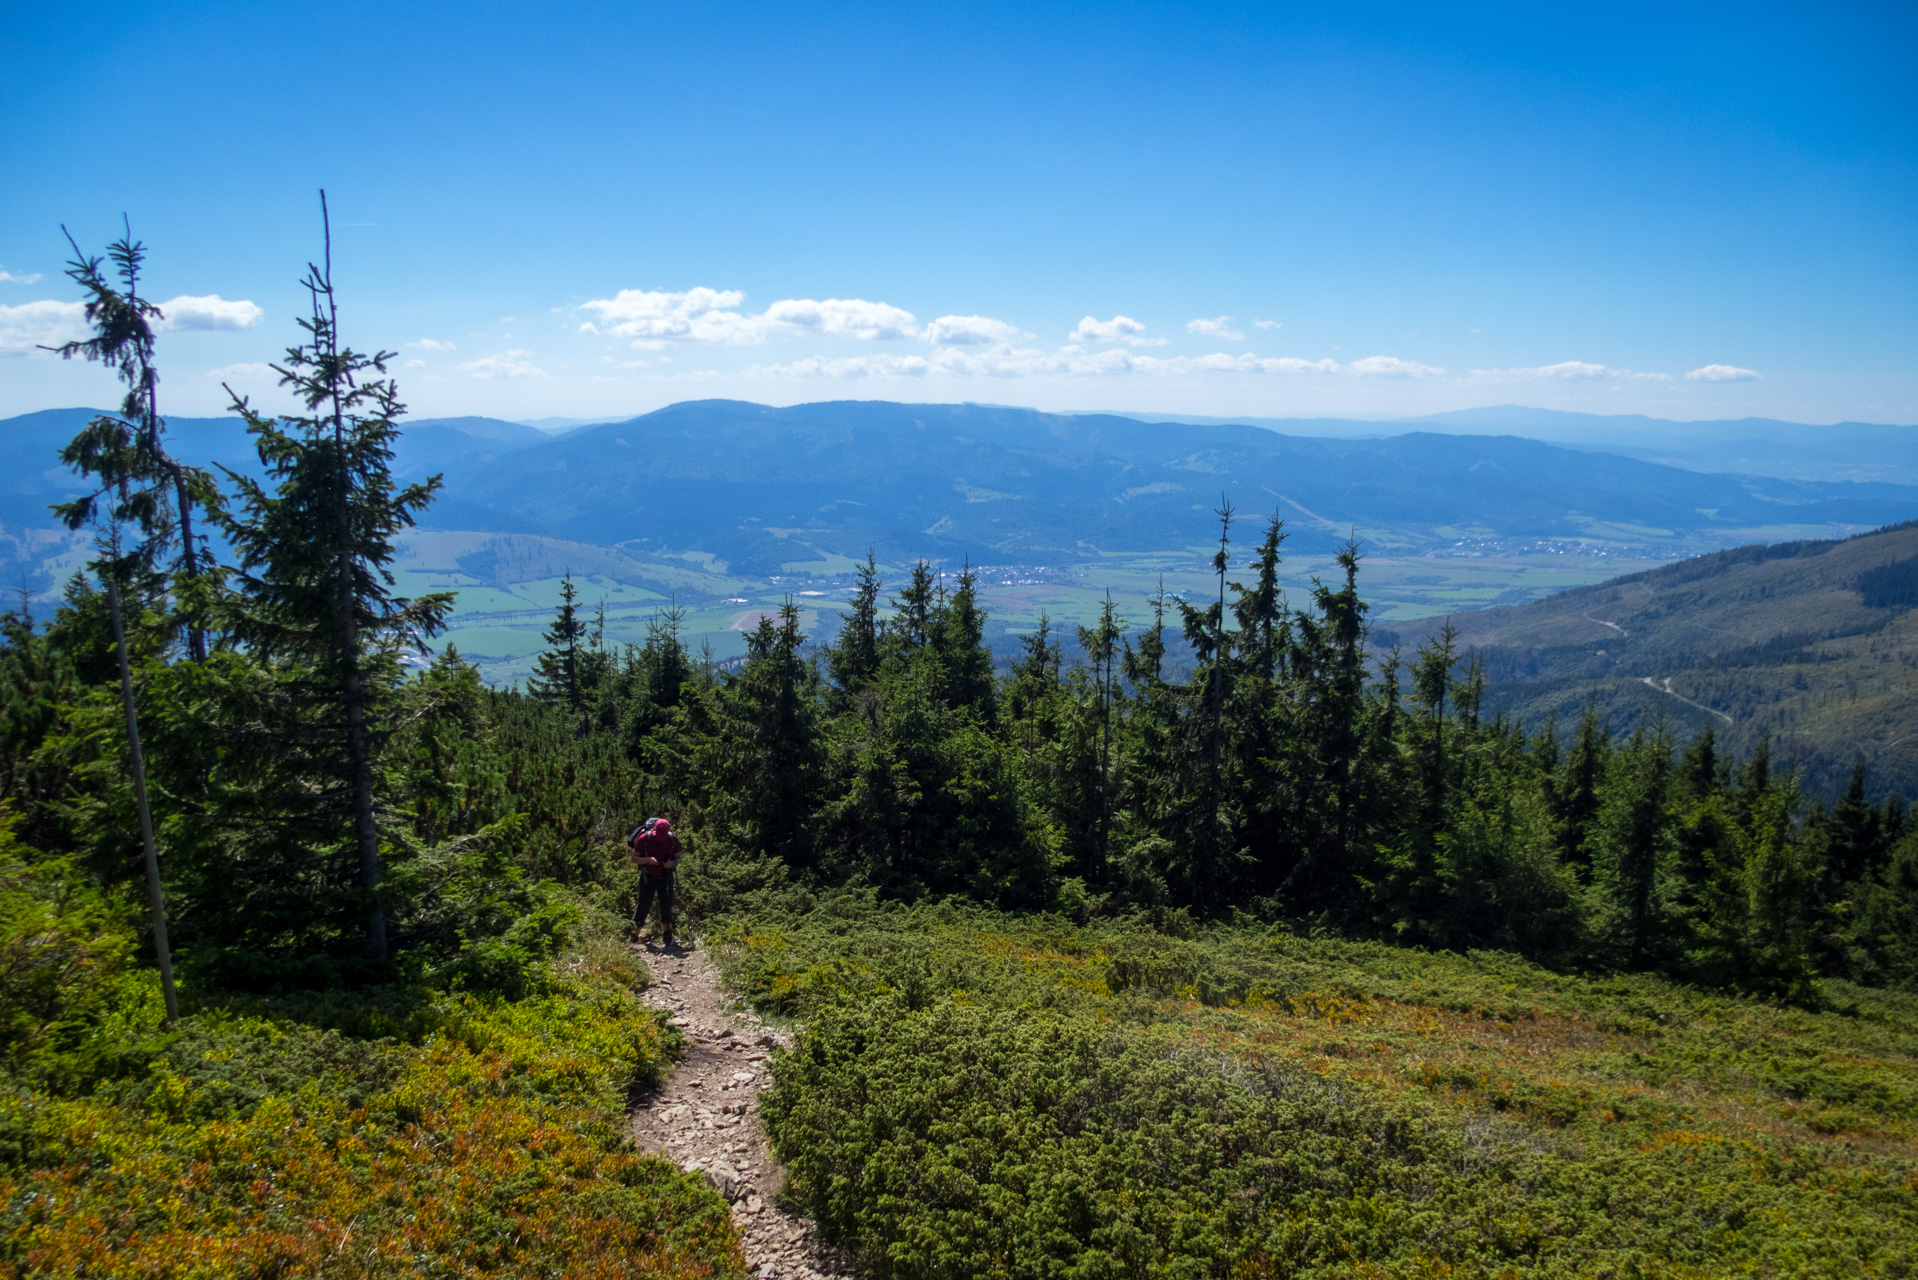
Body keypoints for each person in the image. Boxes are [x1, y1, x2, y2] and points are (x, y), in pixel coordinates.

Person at [630, 817, 682, 946]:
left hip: (666, 876)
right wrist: (648, 860)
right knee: (643, 904)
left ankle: (667, 937)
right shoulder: (644, 838)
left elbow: (679, 858)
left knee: (667, 905)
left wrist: (672, 863)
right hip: (648, 876)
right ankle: (634, 936)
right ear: (654, 830)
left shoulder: (673, 839)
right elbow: (634, 858)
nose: (661, 838)